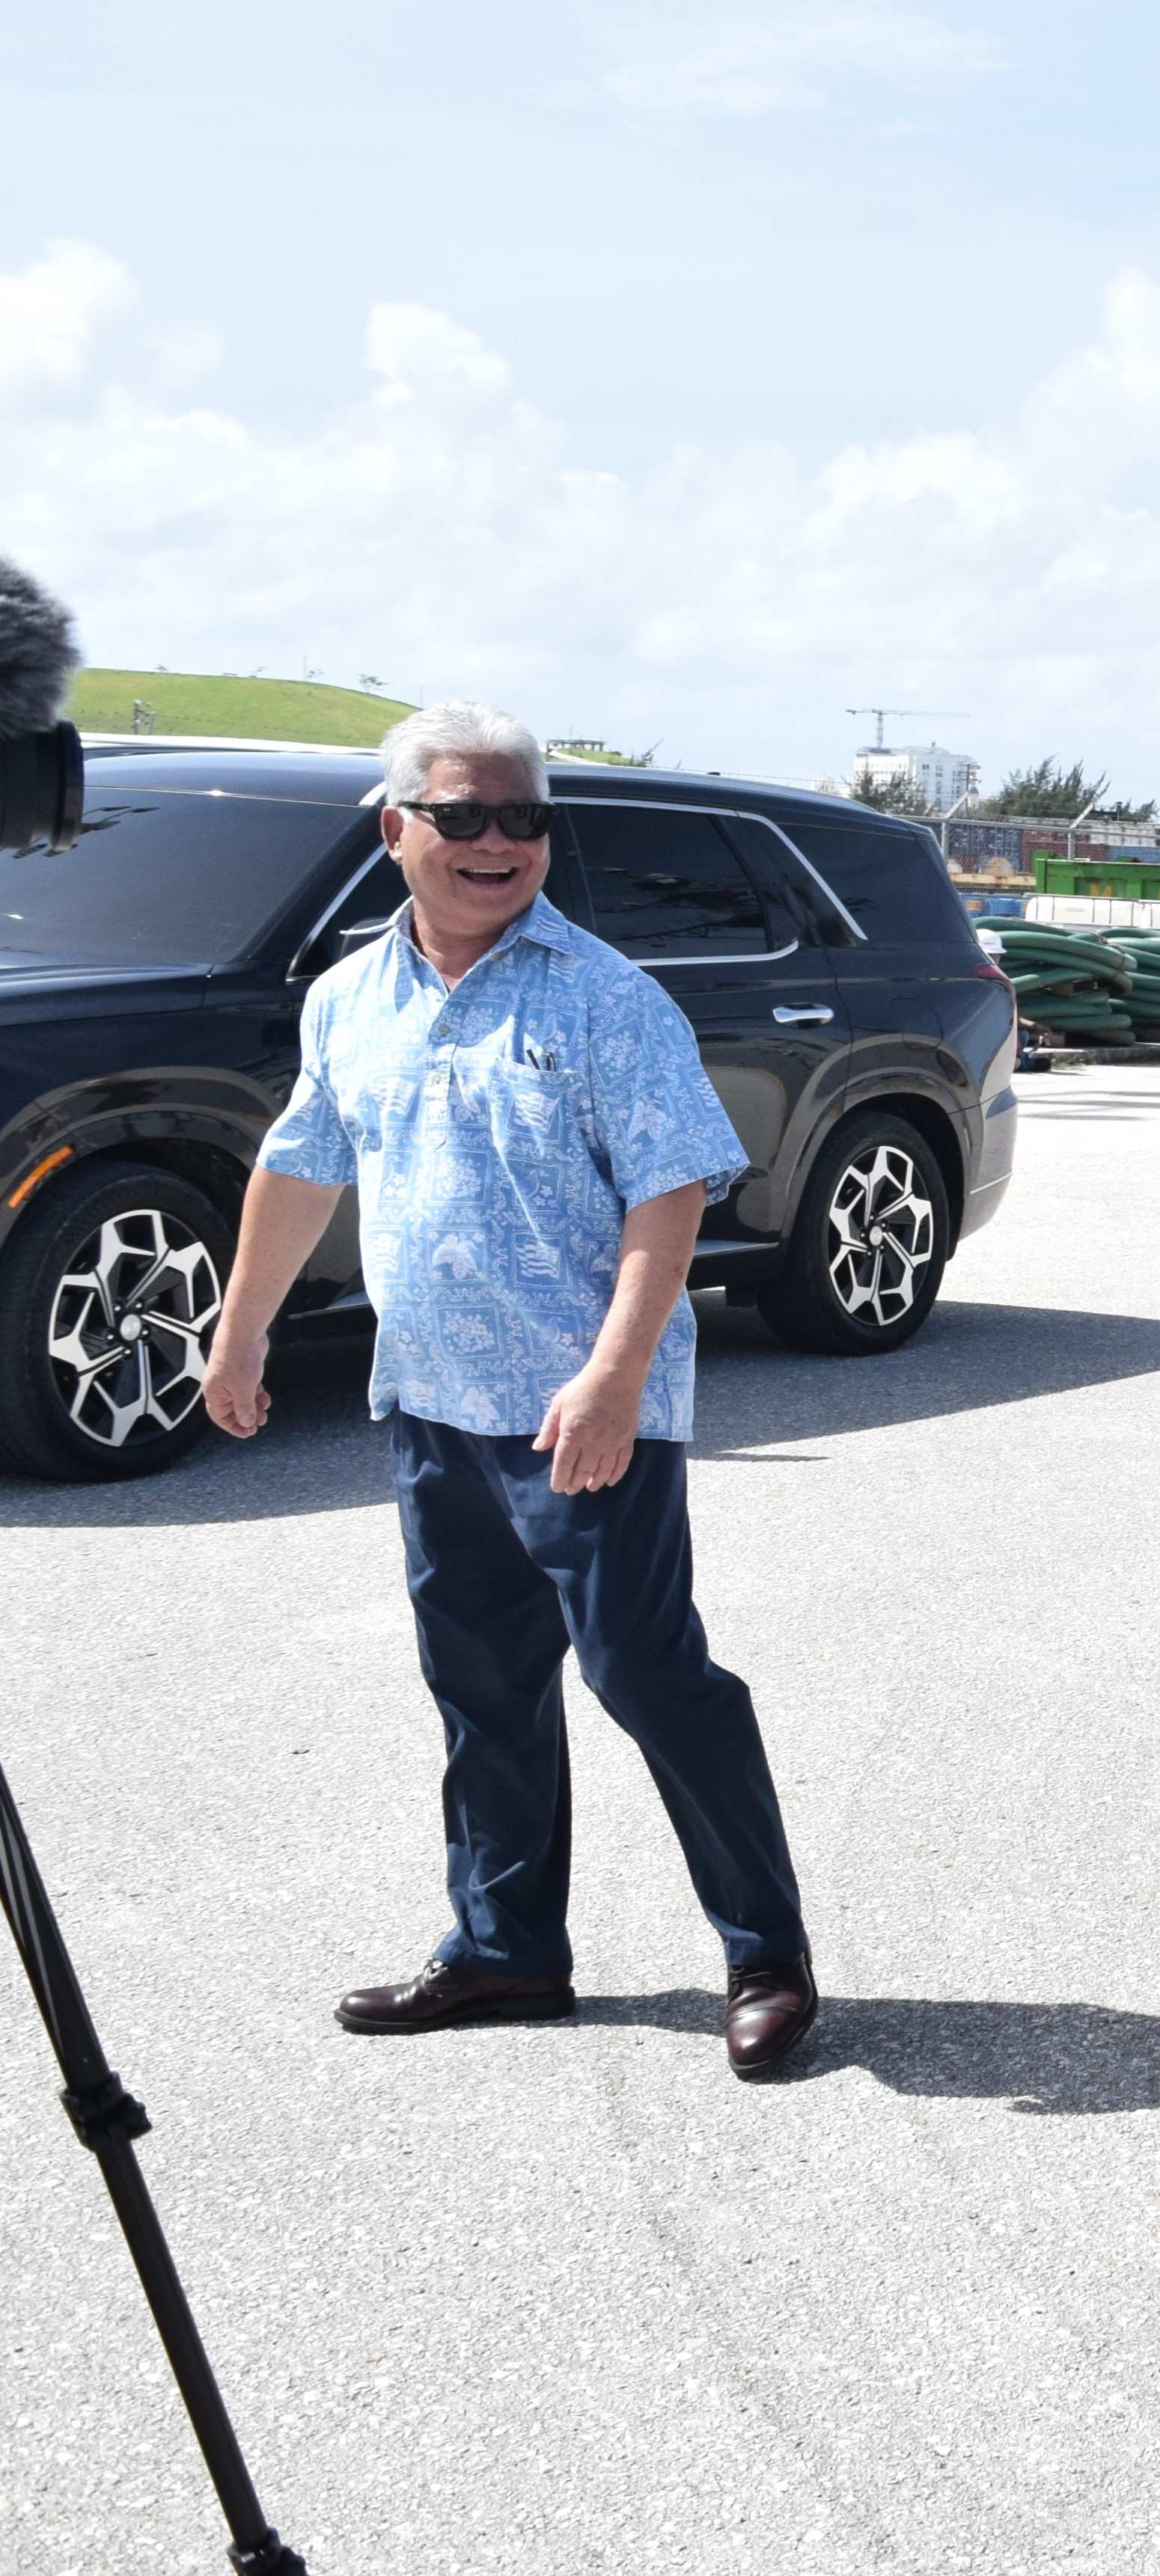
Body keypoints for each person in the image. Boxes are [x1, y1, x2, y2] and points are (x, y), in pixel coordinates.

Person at [205, 702, 821, 2079]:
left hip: (581, 1416)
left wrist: (612, 1377)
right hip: (430, 1401)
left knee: (650, 1677)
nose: (497, 844)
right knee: (479, 1685)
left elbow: (671, 1194)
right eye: (464, 816)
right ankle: (505, 1948)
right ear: (396, 832)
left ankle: (765, 1951)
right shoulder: (349, 998)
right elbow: (301, 1165)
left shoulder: (606, 997)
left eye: (524, 819)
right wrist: (241, 1332)